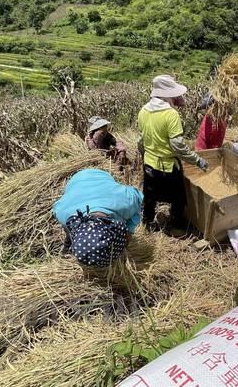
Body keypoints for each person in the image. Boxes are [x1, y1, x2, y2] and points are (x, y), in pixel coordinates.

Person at [138, 75, 209, 230]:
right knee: (178, 197)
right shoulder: (170, 114)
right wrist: (197, 160)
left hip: (149, 163)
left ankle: (147, 223)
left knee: (150, 197)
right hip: (168, 166)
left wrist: (146, 156)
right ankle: (176, 226)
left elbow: (141, 141)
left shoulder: (143, 110)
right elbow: (177, 145)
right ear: (168, 94)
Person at [53, 169, 143, 268]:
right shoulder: (65, 215)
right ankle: (68, 251)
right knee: (69, 235)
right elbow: (56, 206)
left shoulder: (126, 202)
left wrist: (130, 229)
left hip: (101, 177)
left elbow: (139, 197)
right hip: (76, 183)